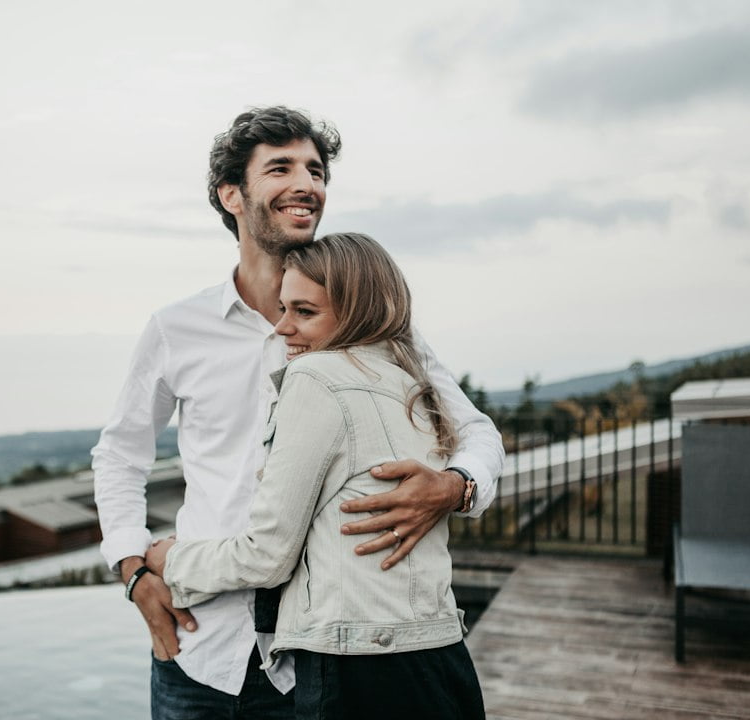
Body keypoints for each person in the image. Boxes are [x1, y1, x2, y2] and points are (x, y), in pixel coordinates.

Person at [92, 106, 503, 719]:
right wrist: (133, 570)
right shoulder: (175, 328)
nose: (307, 183)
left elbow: (474, 429)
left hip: (315, 662)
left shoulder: (375, 328)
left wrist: (455, 486)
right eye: (280, 167)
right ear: (231, 194)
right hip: (197, 646)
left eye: (315, 170)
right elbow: (120, 455)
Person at [145, 232, 487, 718]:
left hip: (359, 670)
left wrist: (170, 560)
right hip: (441, 655)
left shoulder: (315, 378)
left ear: (358, 312)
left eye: (304, 312)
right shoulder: (412, 382)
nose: (283, 329)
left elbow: (267, 555)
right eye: (284, 309)